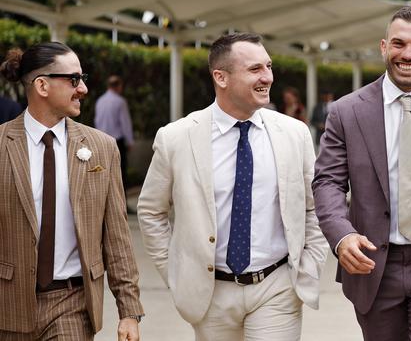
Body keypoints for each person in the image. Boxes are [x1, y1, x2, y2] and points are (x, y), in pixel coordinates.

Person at [137, 32, 328, 341]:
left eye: (268, 66)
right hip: (210, 294)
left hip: (277, 286)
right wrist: (177, 272)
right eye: (255, 69)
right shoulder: (176, 137)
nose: (268, 77)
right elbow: (151, 211)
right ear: (221, 77)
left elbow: (315, 205)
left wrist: (310, 264)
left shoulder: (295, 133)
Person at [312, 6, 411, 340]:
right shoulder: (346, 112)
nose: (407, 54)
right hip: (372, 263)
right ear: (384, 47)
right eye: (399, 44)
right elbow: (328, 180)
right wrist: (342, 235)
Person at [0, 42, 143, 340]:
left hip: (72, 303)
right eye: (74, 79)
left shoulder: (102, 148)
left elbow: (116, 234)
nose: (83, 89)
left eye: (83, 78)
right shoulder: (1, 143)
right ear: (42, 85)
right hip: (7, 304)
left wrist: (128, 310)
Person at [94, 75, 134, 190]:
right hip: (117, 142)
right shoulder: (120, 102)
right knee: (120, 174)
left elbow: (97, 121)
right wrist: (130, 141)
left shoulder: (100, 101)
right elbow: (125, 123)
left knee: (104, 173)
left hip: (101, 141)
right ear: (119, 86)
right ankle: (122, 205)